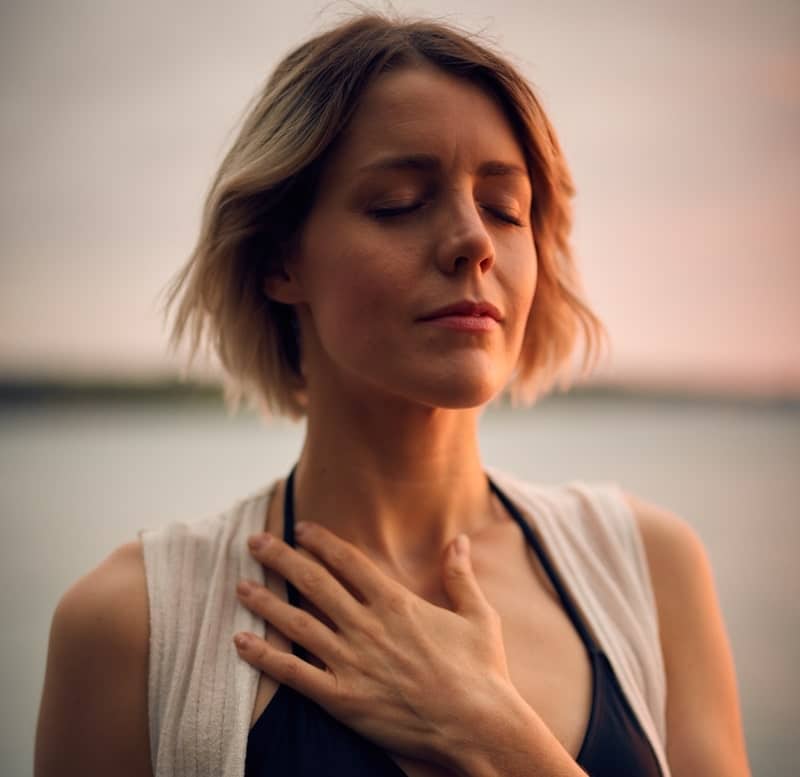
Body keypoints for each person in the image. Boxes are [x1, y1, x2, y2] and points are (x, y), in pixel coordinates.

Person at [35, 12, 751, 777]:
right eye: (399, 203)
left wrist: (494, 734)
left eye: (505, 209)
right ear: (283, 261)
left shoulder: (649, 567)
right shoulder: (131, 627)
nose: (474, 240)